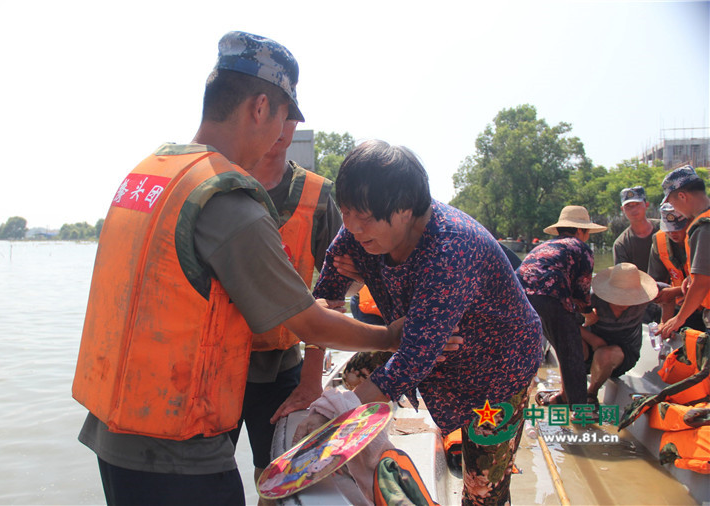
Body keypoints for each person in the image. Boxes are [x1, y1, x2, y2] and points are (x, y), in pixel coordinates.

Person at [72, 32, 400, 506]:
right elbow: (307, 321)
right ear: (260, 108)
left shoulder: (152, 174)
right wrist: (392, 336)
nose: (282, 133)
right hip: (176, 452)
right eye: (283, 117)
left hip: (115, 431)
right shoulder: (226, 201)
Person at [298, 140, 543, 505]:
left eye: (364, 217)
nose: (352, 228)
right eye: (345, 212)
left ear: (406, 210)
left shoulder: (452, 248)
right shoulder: (357, 231)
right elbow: (325, 299)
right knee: (351, 377)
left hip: (496, 371)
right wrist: (310, 387)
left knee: (482, 490)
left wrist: (337, 418)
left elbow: (413, 359)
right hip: (422, 344)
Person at [228, 118, 343, 498]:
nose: (278, 125)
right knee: (210, 474)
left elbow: (333, 293)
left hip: (280, 365)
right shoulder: (217, 186)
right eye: (268, 112)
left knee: (276, 474)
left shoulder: (318, 198)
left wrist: (312, 378)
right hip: (213, 367)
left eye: (287, 115)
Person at [516, 205, 607, 407]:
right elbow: (582, 289)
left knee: (559, 345)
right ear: (581, 230)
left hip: (520, 297)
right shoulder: (581, 248)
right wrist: (589, 314)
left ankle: (564, 395)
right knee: (572, 353)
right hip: (550, 296)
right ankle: (579, 409)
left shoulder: (543, 246)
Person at [580, 263, 659, 405]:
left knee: (605, 354)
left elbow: (670, 296)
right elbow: (568, 323)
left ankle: (591, 393)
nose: (623, 303)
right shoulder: (592, 299)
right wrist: (594, 340)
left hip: (622, 355)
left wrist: (666, 322)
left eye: (629, 298)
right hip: (591, 349)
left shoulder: (647, 297)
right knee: (572, 343)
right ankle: (569, 388)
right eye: (618, 297)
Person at [659, 165, 710, 336]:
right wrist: (690, 278)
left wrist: (679, 318)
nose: (674, 208)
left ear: (682, 196)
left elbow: (702, 282)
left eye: (672, 202)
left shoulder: (703, 227)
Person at [648, 203, 705, 330]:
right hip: (680, 309)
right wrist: (665, 323)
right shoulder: (658, 242)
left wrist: (676, 291)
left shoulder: (704, 237)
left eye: (678, 228)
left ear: (689, 222)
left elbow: (704, 282)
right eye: (668, 228)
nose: (672, 232)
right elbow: (659, 287)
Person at [613, 185, 660, 272]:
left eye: (637, 204)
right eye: (628, 206)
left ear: (646, 205)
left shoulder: (664, 228)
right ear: (622, 209)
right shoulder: (621, 244)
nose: (633, 210)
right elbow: (623, 276)